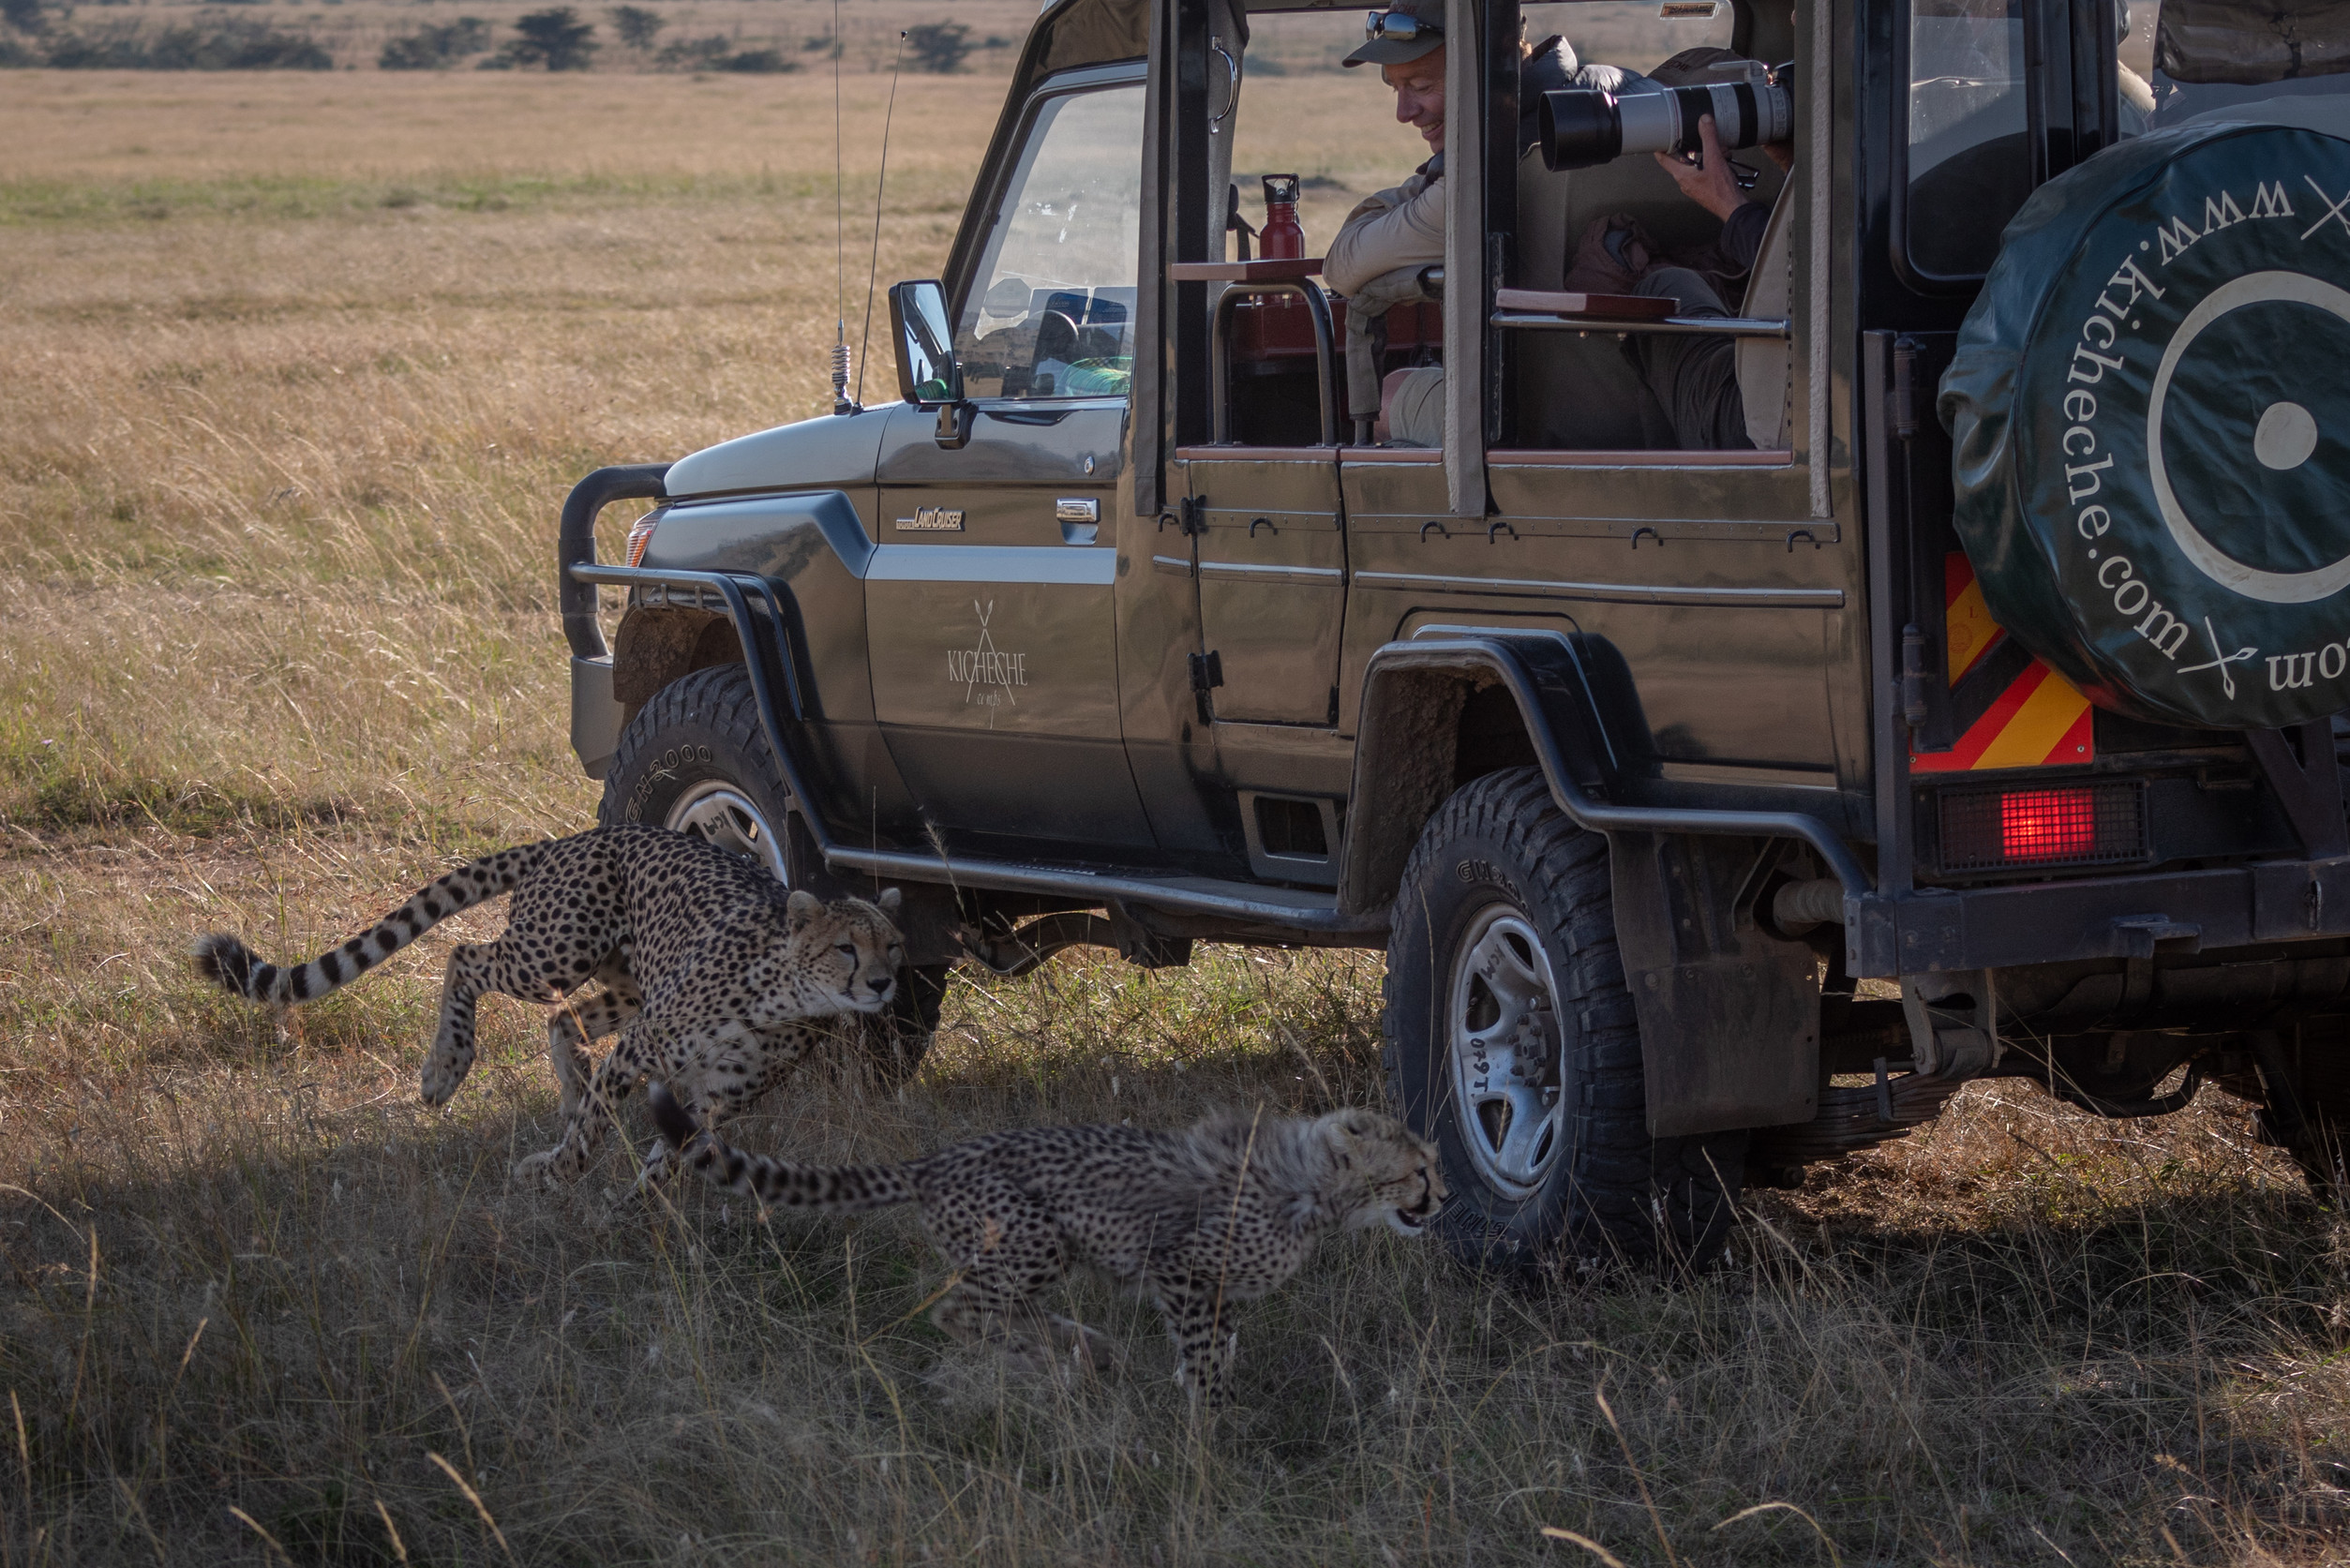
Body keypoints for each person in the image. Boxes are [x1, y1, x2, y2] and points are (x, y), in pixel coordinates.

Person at [1324, 0, 1645, 443]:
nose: (1403, 112)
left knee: (1392, 393)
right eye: (1394, 87)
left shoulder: (1481, 178)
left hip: (1531, 413)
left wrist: (1423, 187)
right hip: (1663, 396)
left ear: (1486, 68)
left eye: (1420, 84)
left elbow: (1342, 265)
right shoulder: (1636, 100)